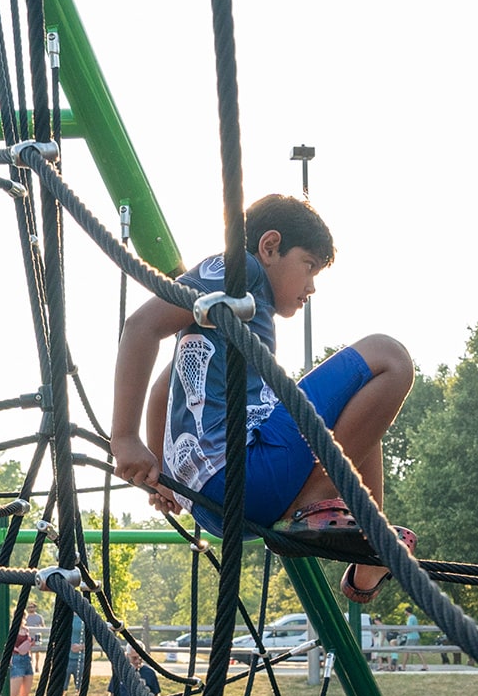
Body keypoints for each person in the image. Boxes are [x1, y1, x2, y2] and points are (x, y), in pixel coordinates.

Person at [110, 194, 416, 602]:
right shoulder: (242, 272)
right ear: (270, 247)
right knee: (390, 356)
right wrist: (125, 437)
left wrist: (167, 478)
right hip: (247, 475)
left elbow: (164, 390)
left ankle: (369, 548)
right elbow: (142, 325)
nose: (310, 287)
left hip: (215, 506)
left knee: (361, 412)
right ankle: (316, 502)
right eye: (308, 267)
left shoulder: (224, 332)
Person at [9, 608, 38, 696]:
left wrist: (31, 643)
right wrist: (18, 649)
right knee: (12, 695)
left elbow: (27, 643)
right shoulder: (12, 629)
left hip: (26, 659)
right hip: (16, 660)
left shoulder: (26, 630)